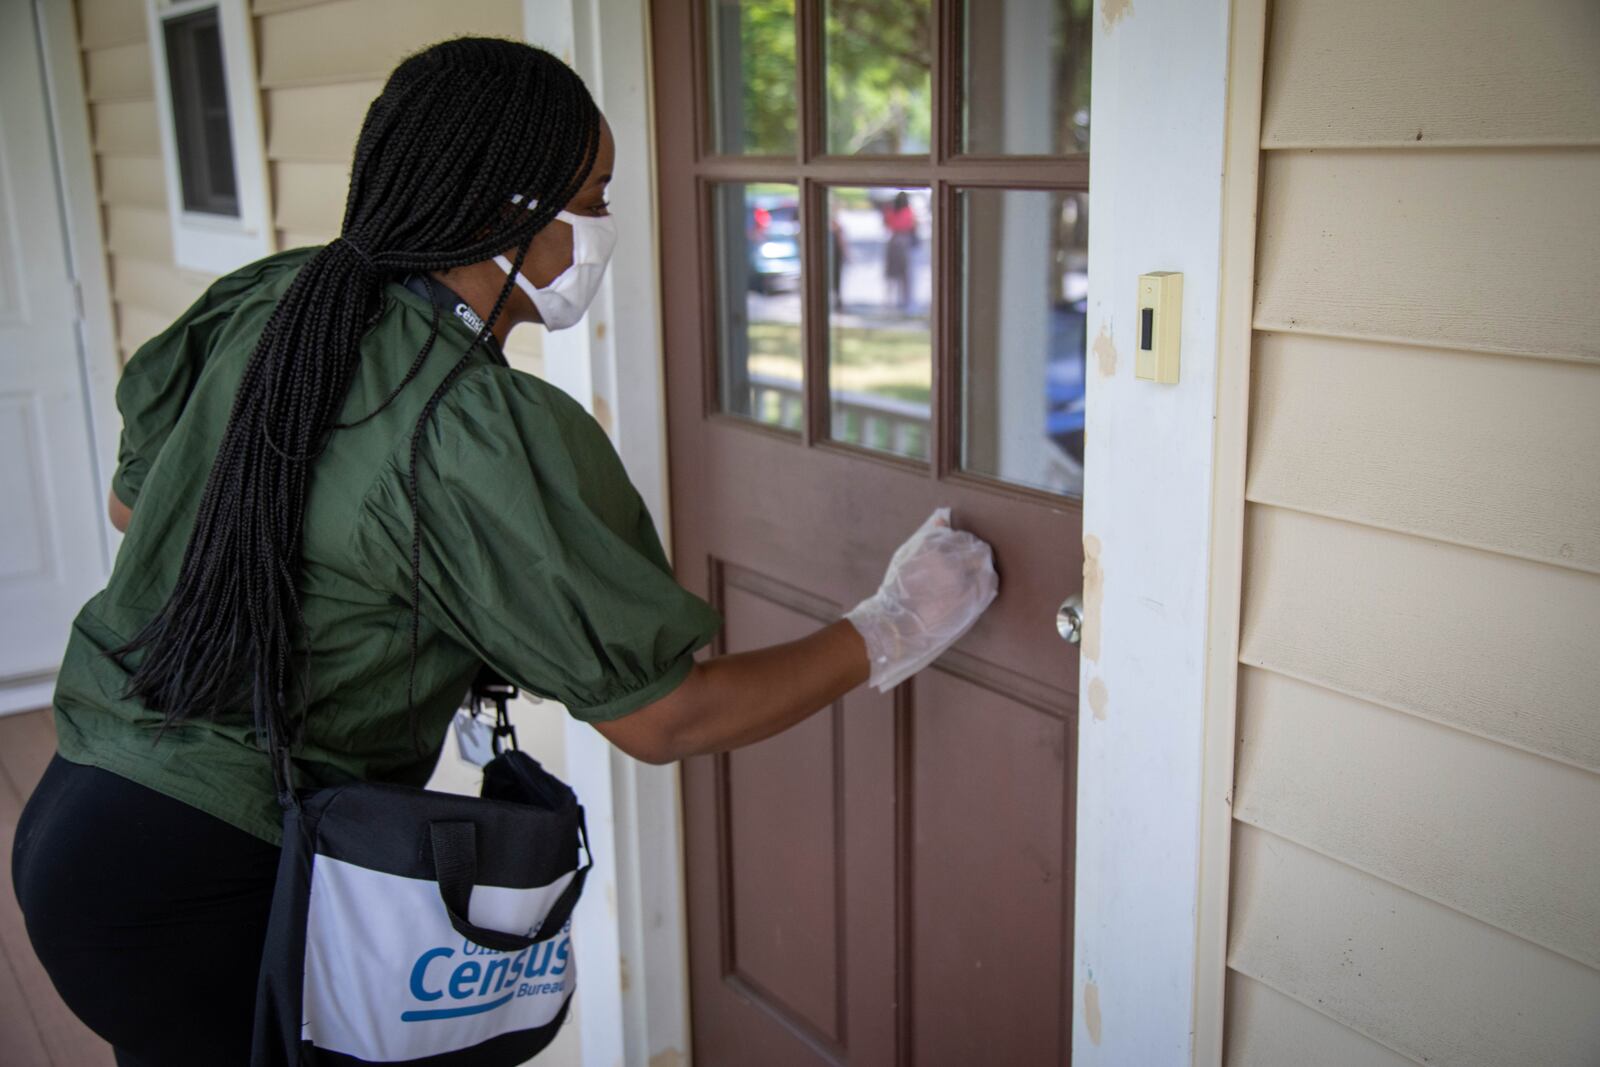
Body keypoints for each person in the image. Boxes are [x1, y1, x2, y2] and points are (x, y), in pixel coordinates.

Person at [9, 38, 997, 1067]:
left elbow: (138, 509)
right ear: (506, 214)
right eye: (597, 196)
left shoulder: (277, 299)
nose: (606, 227)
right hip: (212, 875)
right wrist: (889, 625)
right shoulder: (470, 426)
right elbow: (667, 715)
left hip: (80, 807)